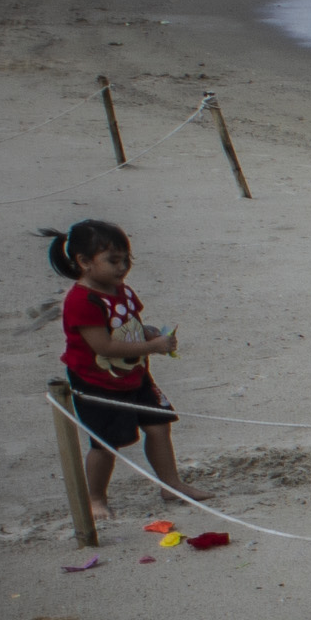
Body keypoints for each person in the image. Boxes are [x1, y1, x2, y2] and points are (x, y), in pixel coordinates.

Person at [42, 220, 181, 527]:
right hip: (97, 381)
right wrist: (154, 347)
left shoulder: (122, 291)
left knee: (158, 426)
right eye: (113, 261)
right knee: (105, 444)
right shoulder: (82, 300)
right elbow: (103, 346)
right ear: (84, 262)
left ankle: (171, 485)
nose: (122, 268)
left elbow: (127, 324)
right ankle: (95, 498)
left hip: (134, 375)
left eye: (126, 260)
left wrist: (147, 332)